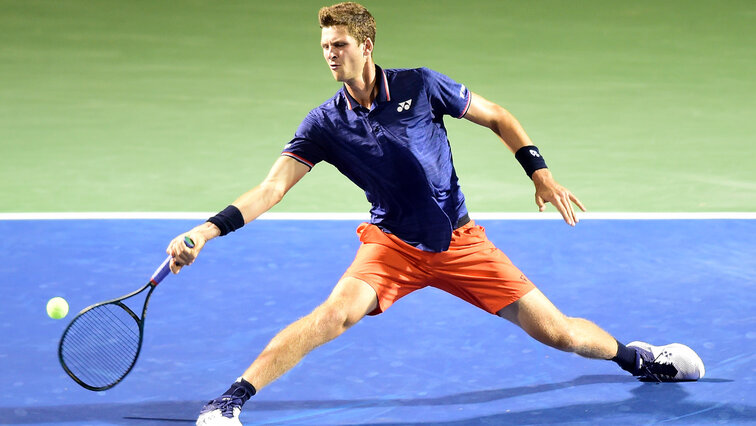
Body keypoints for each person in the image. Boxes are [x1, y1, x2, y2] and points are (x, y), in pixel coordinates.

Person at [167, 3, 705, 425]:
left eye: (340, 45)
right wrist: (207, 230)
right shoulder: (323, 124)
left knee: (559, 332)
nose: (330, 55)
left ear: (366, 46)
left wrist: (539, 172)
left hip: (461, 243)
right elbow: (270, 189)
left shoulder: (419, 85)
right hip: (391, 248)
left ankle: (638, 358)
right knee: (330, 316)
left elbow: (496, 115)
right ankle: (227, 402)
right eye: (325, 47)